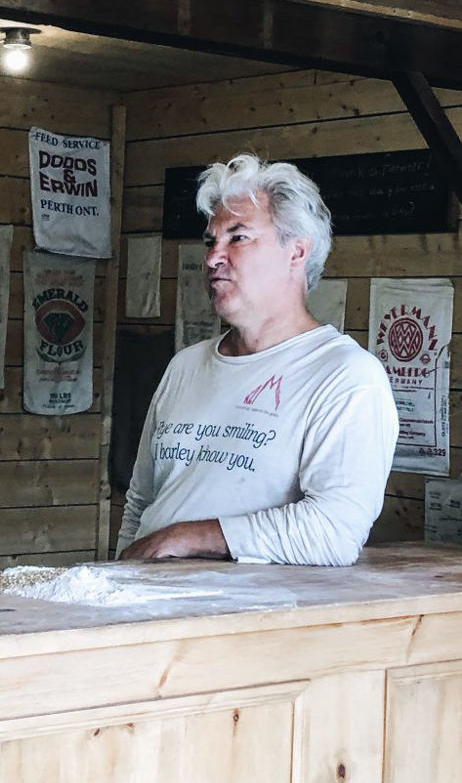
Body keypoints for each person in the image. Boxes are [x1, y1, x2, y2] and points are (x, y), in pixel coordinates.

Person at [117, 153, 398, 566]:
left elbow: (335, 532)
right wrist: (114, 575)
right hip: (142, 613)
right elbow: (141, 502)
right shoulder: (186, 365)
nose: (214, 257)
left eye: (238, 237)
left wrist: (185, 538)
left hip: (244, 625)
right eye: (211, 241)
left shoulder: (346, 376)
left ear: (296, 253)